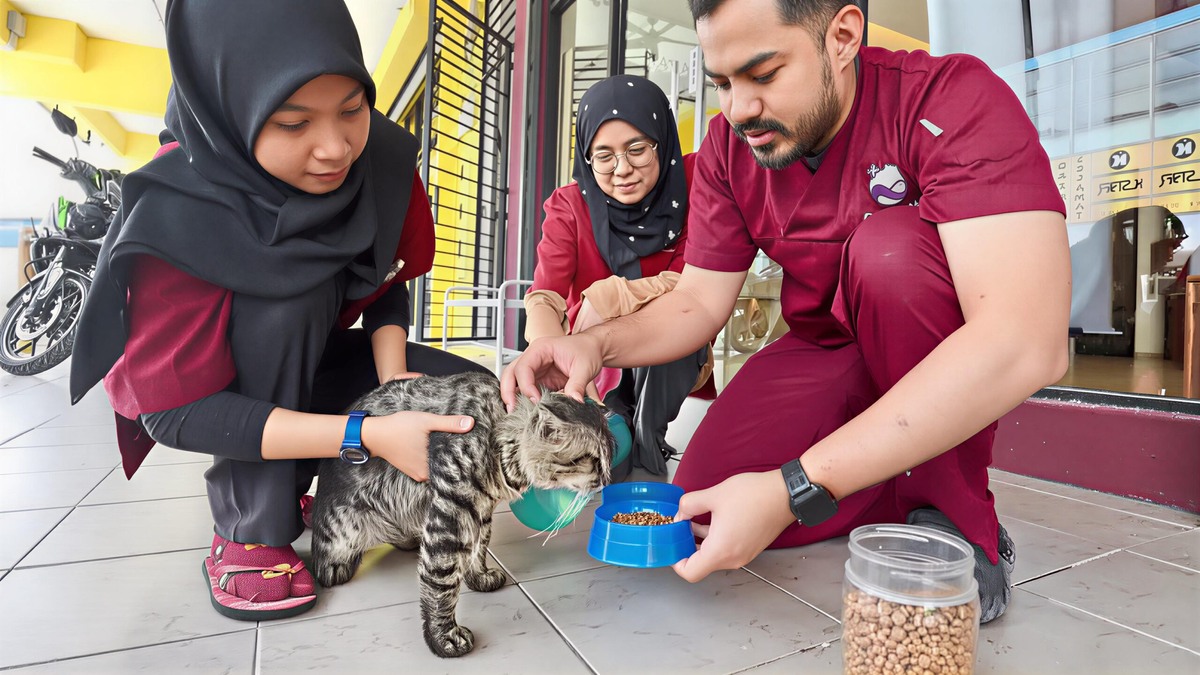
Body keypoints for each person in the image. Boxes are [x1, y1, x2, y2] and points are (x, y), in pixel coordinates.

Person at [502, 0, 1071, 624]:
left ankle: (952, 509)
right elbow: (695, 301)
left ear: (843, 37)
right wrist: (596, 346)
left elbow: (1026, 341)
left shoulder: (950, 99)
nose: (738, 109)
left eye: (764, 74)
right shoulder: (727, 147)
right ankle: (883, 471)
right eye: (721, 83)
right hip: (827, 346)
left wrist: (792, 487)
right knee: (703, 508)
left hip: (925, 340)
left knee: (890, 253)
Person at [69, 0, 489, 621]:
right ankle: (248, 529)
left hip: (314, 361)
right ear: (230, 112)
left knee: (472, 397)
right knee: (289, 303)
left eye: (353, 109)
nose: (334, 147)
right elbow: (174, 410)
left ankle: (378, 503)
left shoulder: (376, 163)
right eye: (293, 123)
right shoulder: (176, 211)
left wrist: (395, 384)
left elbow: (382, 279)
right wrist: (365, 433)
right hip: (228, 390)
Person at [523, 75, 713, 478]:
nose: (622, 169)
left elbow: (694, 283)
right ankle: (618, 434)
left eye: (637, 149)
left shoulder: (695, 186)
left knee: (674, 321)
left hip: (672, 352)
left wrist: (609, 296)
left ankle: (648, 441)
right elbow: (545, 296)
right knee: (607, 458)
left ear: (662, 140)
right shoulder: (570, 205)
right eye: (603, 155)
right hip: (593, 365)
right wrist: (547, 349)